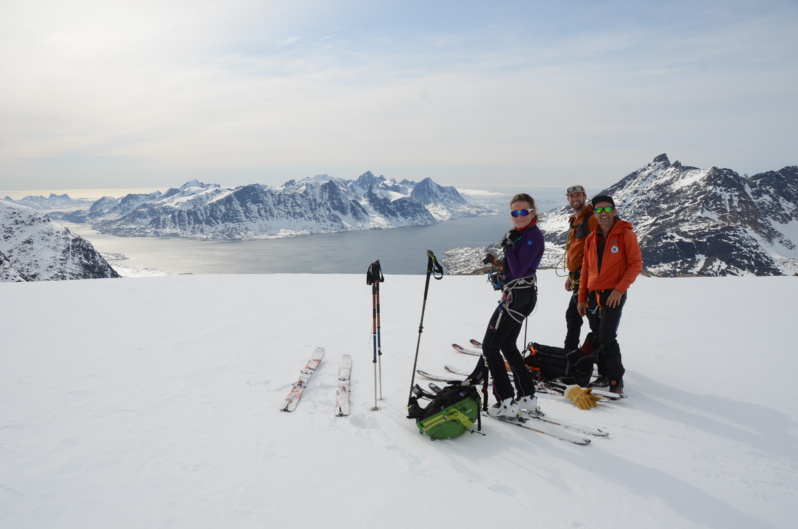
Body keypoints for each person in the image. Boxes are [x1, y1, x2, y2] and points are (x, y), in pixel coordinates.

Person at [465, 193, 544, 418]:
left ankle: (506, 402)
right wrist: (499, 263)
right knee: (508, 344)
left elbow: (519, 271)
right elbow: (514, 269)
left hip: (516, 299)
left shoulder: (532, 236)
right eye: (514, 213)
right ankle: (527, 397)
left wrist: (508, 248)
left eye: (523, 212)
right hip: (520, 296)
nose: (519, 216)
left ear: (533, 212)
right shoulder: (521, 234)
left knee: (490, 347)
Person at [577, 195, 643, 395]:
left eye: (607, 210)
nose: (603, 214)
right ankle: (603, 376)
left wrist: (619, 289)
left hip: (614, 294)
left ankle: (615, 379)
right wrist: (581, 297)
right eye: (599, 210)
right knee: (597, 337)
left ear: (614, 211)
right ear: (594, 214)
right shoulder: (591, 238)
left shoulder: (626, 235)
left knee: (607, 337)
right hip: (593, 296)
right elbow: (586, 269)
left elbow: (635, 264)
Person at [562, 185, 599, 351]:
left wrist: (585, 275)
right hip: (577, 277)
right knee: (573, 316)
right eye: (571, 196)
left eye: (578, 195)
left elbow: (597, 250)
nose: (575, 198)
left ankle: (600, 356)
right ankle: (571, 353)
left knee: (593, 319)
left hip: (588, 279)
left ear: (585, 197)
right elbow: (577, 248)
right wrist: (571, 275)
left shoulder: (591, 219)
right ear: (568, 199)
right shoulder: (574, 219)